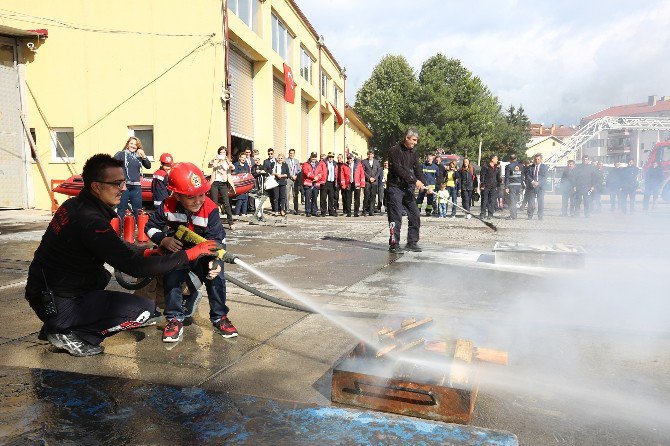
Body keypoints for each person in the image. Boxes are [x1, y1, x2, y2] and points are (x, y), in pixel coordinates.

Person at [25, 154, 218, 356]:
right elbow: (135, 267)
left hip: (44, 291)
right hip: (57, 301)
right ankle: (69, 332)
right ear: (96, 186)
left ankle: (60, 322)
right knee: (145, 312)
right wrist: (190, 253)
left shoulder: (73, 206)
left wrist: (147, 251)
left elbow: (113, 244)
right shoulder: (91, 222)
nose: (124, 188)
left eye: (123, 182)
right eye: (117, 184)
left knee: (101, 278)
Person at [145, 162, 238, 342]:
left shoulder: (210, 208)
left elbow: (218, 239)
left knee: (216, 277)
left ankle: (219, 317)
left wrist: (215, 262)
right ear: (177, 195)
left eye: (201, 194)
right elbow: (150, 227)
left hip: (204, 254)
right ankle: (173, 319)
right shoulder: (167, 206)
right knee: (172, 276)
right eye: (191, 197)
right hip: (179, 252)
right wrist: (163, 240)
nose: (198, 201)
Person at [386, 127, 427, 253]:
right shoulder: (394, 151)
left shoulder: (413, 153)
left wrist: (424, 184)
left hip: (407, 188)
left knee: (415, 214)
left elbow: (418, 169)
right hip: (395, 187)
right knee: (396, 216)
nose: (415, 143)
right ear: (406, 138)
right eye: (413, 140)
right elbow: (399, 170)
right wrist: (415, 181)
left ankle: (412, 242)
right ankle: (394, 244)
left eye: (416, 141)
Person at [114, 136, 151, 228]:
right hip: (124, 186)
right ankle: (120, 230)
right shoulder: (121, 154)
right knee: (122, 209)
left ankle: (140, 230)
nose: (133, 146)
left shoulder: (138, 156)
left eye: (135, 144)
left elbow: (148, 166)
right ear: (127, 144)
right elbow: (112, 164)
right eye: (131, 143)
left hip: (136, 187)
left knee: (137, 210)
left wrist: (144, 156)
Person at [208, 146, 235, 229]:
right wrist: (215, 160)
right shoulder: (216, 159)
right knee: (214, 203)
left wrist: (227, 161)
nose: (222, 154)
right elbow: (209, 165)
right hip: (214, 183)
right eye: (221, 152)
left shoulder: (227, 161)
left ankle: (231, 222)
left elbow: (232, 167)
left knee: (226, 202)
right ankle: (214, 223)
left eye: (224, 152)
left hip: (223, 183)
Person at [340, 152, 365, 217]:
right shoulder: (344, 165)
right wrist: (343, 184)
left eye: (350, 158)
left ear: (353, 158)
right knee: (348, 198)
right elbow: (342, 175)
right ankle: (349, 213)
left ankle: (356, 212)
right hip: (349, 183)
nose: (349, 160)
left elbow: (362, 174)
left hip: (356, 183)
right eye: (348, 159)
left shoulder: (358, 165)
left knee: (357, 199)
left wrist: (362, 184)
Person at [524, 153, 548, 220]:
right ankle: (530, 216)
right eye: (535, 159)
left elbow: (545, 177)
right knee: (531, 202)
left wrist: (538, 183)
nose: (537, 160)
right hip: (532, 187)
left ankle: (540, 216)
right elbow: (527, 175)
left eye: (538, 159)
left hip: (540, 187)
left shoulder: (544, 167)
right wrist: (532, 182)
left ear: (541, 160)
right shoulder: (530, 167)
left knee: (540, 202)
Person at [479, 154, 501, 220]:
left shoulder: (497, 168)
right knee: (484, 200)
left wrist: (499, 185)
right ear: (492, 159)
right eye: (496, 159)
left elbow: (498, 177)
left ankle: (490, 214)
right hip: (486, 186)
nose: (497, 160)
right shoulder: (485, 166)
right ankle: (482, 214)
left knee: (492, 201)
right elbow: (482, 176)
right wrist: (482, 185)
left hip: (493, 186)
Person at [317, 152, 338, 216]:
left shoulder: (335, 164)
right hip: (325, 182)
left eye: (332, 157)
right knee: (323, 198)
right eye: (330, 157)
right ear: (328, 157)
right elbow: (319, 171)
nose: (331, 158)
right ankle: (323, 211)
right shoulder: (323, 163)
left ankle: (331, 211)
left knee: (331, 198)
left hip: (332, 182)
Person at [362, 150, 382, 216]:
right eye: (368, 154)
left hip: (374, 182)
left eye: (371, 154)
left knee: (373, 196)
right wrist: (369, 178)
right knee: (366, 196)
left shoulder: (377, 162)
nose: (370, 156)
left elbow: (378, 171)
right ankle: (364, 210)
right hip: (367, 182)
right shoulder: (364, 161)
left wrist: (375, 178)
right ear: (367, 155)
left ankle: (371, 210)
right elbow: (363, 171)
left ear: (373, 155)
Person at [504, 154, 524, 220]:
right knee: (515, 201)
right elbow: (522, 177)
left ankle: (513, 215)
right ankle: (514, 215)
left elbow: (507, 178)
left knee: (511, 201)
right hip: (519, 186)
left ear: (510, 160)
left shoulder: (508, 166)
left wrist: (506, 187)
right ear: (516, 158)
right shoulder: (521, 166)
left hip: (512, 186)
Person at [302, 152, 321, 217]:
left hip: (316, 183)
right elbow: (305, 172)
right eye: (313, 157)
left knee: (315, 198)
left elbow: (321, 173)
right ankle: (308, 211)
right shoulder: (305, 164)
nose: (314, 158)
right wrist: (313, 177)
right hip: (308, 183)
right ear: (310, 157)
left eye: (315, 157)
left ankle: (314, 211)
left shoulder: (318, 164)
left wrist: (317, 177)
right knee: (307, 198)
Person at [251, 155, 270, 221]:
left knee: (262, 201)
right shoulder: (253, 167)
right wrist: (259, 172)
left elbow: (267, 173)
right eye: (256, 160)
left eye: (258, 160)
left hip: (263, 187)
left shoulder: (263, 166)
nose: (257, 161)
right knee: (257, 200)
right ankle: (258, 214)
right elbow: (253, 174)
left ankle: (261, 213)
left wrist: (264, 172)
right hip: (256, 186)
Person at [233, 152, 250, 216]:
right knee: (240, 200)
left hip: (246, 184)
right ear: (239, 158)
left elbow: (248, 174)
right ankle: (237, 214)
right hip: (239, 185)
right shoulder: (236, 164)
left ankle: (244, 213)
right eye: (242, 157)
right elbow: (235, 173)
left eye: (245, 158)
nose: (243, 159)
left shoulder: (246, 165)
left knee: (245, 200)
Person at [285, 149, 301, 215]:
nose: (291, 154)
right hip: (288, 179)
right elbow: (285, 170)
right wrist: (291, 176)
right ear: (288, 153)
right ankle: (287, 209)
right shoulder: (285, 160)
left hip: (295, 180)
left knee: (295, 195)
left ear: (294, 154)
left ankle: (295, 209)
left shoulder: (296, 161)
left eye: (292, 153)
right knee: (287, 195)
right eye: (290, 153)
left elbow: (299, 170)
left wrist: (296, 176)